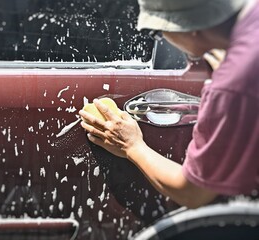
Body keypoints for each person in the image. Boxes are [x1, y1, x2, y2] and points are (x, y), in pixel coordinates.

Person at [79, 0, 259, 209]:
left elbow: (192, 192)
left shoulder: (233, 86)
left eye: (158, 31)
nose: (163, 37)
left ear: (190, 28)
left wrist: (131, 146)